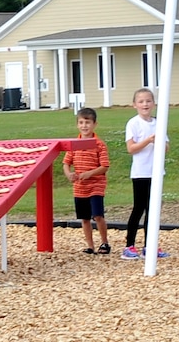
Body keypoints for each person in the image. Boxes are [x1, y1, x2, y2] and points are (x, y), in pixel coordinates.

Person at [121, 87, 169, 260]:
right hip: (141, 173)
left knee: (153, 210)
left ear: (154, 103)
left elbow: (166, 148)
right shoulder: (133, 123)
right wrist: (148, 140)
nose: (145, 104)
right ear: (135, 105)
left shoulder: (159, 122)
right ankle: (129, 246)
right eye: (141, 101)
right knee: (138, 208)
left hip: (156, 172)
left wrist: (159, 143)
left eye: (148, 101)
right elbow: (131, 148)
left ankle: (150, 245)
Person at [62, 107, 111, 255]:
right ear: (77, 124)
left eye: (87, 122)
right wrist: (68, 174)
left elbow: (104, 166)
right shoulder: (73, 144)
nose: (84, 126)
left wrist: (90, 173)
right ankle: (90, 246)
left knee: (97, 215)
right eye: (81, 122)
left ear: (95, 124)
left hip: (96, 185)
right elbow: (66, 163)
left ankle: (104, 242)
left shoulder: (99, 144)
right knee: (84, 218)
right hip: (80, 187)